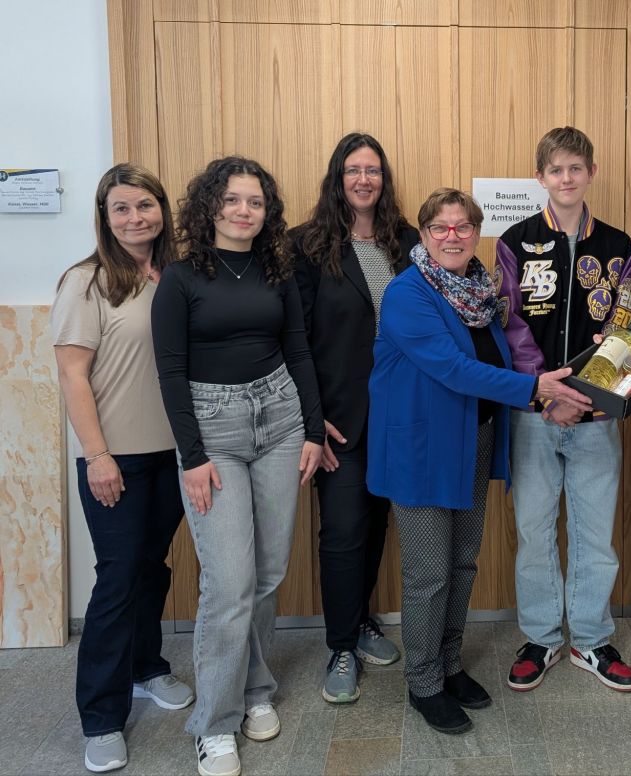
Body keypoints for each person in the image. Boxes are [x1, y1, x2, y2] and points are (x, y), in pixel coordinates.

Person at [367, 188, 590, 734]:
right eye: (440, 228)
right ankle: (423, 682)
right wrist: (535, 389)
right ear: (424, 235)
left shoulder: (479, 290)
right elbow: (452, 368)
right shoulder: (407, 293)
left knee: (463, 562)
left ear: (476, 232)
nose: (453, 237)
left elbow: (499, 356)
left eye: (463, 227)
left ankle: (448, 664)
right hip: (422, 451)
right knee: (428, 573)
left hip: (474, 440)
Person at [152, 156, 324, 776]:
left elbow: (297, 350)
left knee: (268, 573)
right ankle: (215, 724)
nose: (244, 211)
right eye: (232, 200)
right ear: (210, 206)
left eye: (255, 201)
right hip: (213, 430)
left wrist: (311, 429)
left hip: (279, 421)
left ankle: (256, 690)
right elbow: (170, 371)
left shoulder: (277, 269)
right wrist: (192, 456)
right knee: (229, 583)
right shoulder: (180, 278)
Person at [52, 163, 195, 774]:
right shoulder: (87, 281)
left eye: (145, 205)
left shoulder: (176, 275)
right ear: (104, 217)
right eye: (122, 208)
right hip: (117, 458)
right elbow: (72, 374)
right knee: (117, 578)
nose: (136, 218)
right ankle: (102, 717)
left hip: (175, 454)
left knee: (151, 567)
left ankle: (146, 667)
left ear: (162, 209)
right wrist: (97, 456)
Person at [496, 126, 631, 694]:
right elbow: (510, 323)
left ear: (591, 173)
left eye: (576, 168)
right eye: (555, 170)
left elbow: (623, 327)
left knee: (594, 533)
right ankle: (541, 637)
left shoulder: (619, 245)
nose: (566, 178)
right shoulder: (516, 241)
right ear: (540, 177)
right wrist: (548, 393)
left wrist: (587, 394)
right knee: (534, 531)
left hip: (596, 415)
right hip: (535, 413)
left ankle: (591, 639)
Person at [292, 132, 416, 705]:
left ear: (384, 179)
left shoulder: (407, 242)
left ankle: (362, 620)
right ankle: (341, 645)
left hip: (401, 415)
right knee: (342, 531)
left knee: (376, 526)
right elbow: (294, 339)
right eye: (353, 170)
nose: (364, 180)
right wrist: (311, 419)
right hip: (340, 420)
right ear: (337, 179)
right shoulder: (307, 246)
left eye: (373, 170)